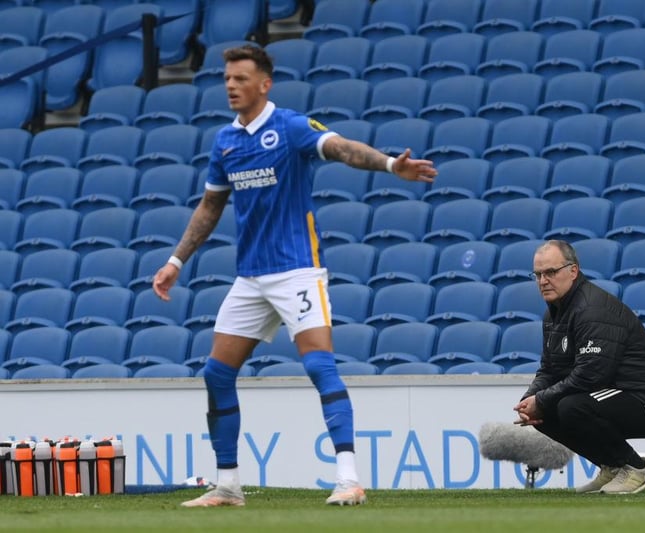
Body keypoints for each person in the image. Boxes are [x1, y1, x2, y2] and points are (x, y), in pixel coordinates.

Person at [152, 45, 437, 507]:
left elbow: (341, 147)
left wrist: (389, 164)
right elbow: (210, 206)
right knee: (216, 373)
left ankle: (349, 478)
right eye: (227, 78)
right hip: (251, 278)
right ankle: (228, 485)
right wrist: (176, 261)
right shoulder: (225, 141)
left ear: (264, 84)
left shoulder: (289, 127)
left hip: (296, 271)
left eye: (241, 78)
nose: (231, 85)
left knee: (319, 364)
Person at [513, 240, 645, 494]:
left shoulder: (592, 309)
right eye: (538, 274)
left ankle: (635, 468)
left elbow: (591, 376)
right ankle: (612, 466)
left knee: (570, 405)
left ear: (573, 271)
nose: (543, 280)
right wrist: (531, 398)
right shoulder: (554, 315)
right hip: (614, 394)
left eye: (551, 272)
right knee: (543, 413)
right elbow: (549, 369)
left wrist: (543, 398)